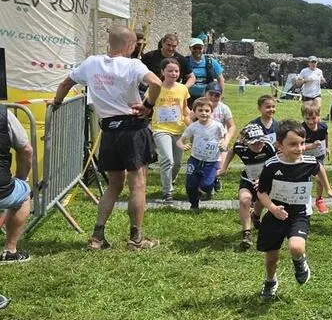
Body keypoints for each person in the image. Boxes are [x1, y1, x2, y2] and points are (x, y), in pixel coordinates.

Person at [52, 26, 162, 250]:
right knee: (137, 185)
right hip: (132, 128)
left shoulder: (91, 62)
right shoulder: (133, 64)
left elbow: (65, 83)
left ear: (109, 43)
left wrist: (56, 103)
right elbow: (156, 83)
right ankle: (136, 239)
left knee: (113, 185)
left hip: (109, 130)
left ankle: (97, 236)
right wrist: (148, 105)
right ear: (131, 46)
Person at [256, 120, 332, 301]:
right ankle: (270, 281)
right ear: (279, 145)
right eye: (293, 144)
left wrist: (328, 189)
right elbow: (261, 192)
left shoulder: (309, 161)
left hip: (298, 214)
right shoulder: (272, 165)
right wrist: (272, 208)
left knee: (296, 246)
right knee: (271, 257)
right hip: (276, 214)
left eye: (302, 143)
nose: (300, 148)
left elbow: (319, 169)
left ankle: (300, 263)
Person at [220, 123, 276, 250]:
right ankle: (247, 234)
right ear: (246, 142)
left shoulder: (268, 146)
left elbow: (276, 163)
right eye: (254, 143)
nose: (258, 145)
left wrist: (264, 179)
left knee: (262, 199)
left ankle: (256, 216)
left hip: (265, 178)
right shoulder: (240, 146)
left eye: (260, 142)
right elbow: (232, 151)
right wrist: (224, 167)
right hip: (248, 178)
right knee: (245, 200)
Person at [150, 58, 191, 203]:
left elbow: (185, 108)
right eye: (170, 71)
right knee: (167, 159)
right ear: (162, 72)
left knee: (178, 163)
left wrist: (192, 125)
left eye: (176, 71)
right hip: (160, 129)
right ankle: (167, 192)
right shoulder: (156, 87)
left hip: (178, 129)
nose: (174, 74)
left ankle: (169, 182)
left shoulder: (182, 89)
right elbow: (146, 104)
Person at [0, 101, 35, 263]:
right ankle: (10, 250)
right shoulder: (4, 114)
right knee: (24, 193)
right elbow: (26, 150)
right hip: (2, 190)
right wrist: (22, 178)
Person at [178, 98, 228, 210]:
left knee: (206, 185)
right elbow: (180, 140)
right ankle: (194, 204)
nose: (203, 113)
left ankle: (212, 183)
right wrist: (182, 145)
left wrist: (223, 142)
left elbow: (224, 138)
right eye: (200, 110)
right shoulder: (193, 127)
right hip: (195, 159)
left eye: (207, 110)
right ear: (194, 112)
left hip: (212, 161)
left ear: (211, 112)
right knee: (190, 185)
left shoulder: (217, 126)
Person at [301, 102, 332, 214]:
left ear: (319, 116)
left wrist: (328, 147)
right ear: (303, 117)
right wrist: (311, 146)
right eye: (307, 118)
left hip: (319, 156)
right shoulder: (302, 130)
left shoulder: (323, 126)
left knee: (320, 180)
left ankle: (319, 200)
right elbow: (299, 147)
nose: (310, 121)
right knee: (305, 180)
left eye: (313, 118)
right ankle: (304, 202)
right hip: (304, 158)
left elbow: (326, 134)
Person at [186, 37, 225, 106]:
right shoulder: (185, 61)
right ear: (190, 48)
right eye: (195, 48)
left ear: (203, 48)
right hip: (188, 97)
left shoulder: (210, 61)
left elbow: (221, 79)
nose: (197, 50)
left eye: (199, 48)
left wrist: (220, 95)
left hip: (207, 97)